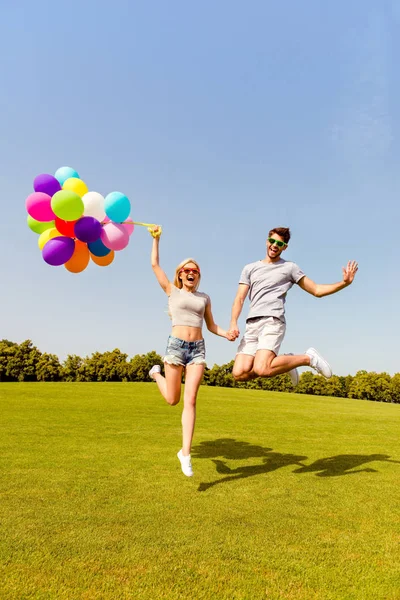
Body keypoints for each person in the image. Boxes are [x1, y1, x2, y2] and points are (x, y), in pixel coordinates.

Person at [148, 226, 236, 477]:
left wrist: (226, 333)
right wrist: (157, 240)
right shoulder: (172, 291)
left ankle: (185, 453)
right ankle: (156, 374)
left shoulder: (205, 298)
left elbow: (210, 325)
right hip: (175, 348)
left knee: (191, 399)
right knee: (172, 399)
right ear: (180, 275)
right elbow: (155, 265)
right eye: (186, 271)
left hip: (197, 350)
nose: (190, 274)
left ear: (198, 276)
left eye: (194, 271)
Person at [230, 227, 358, 383]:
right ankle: (287, 362)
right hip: (252, 324)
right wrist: (233, 323)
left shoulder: (289, 268)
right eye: (272, 241)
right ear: (266, 241)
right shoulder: (249, 268)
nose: (274, 245)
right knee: (239, 373)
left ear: (285, 247)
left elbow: (316, 290)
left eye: (279, 243)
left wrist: (343, 284)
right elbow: (239, 298)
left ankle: (308, 359)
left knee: (262, 368)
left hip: (272, 320)